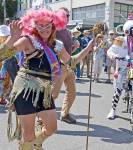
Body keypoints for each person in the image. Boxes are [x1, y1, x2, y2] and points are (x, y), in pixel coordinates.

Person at [0, 9, 94, 149]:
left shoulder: (57, 45)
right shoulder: (28, 40)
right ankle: (28, 145)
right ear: (34, 26)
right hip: (25, 90)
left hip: (44, 91)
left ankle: (34, 144)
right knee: (28, 135)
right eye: (40, 25)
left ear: (53, 26)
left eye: (47, 26)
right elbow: (2, 55)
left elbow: (71, 62)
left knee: (51, 128)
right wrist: (12, 38)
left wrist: (88, 49)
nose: (44, 29)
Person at [107, 16, 133, 120]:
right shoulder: (120, 40)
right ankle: (113, 110)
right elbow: (110, 51)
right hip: (122, 68)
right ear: (128, 30)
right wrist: (114, 56)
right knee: (118, 90)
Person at [52, 7, 80, 124]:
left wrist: (74, 47)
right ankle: (41, 117)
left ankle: (64, 114)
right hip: (58, 66)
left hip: (68, 66)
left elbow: (67, 51)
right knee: (53, 94)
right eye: (65, 15)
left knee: (72, 92)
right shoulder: (54, 29)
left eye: (68, 15)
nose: (67, 17)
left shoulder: (67, 31)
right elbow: (50, 47)